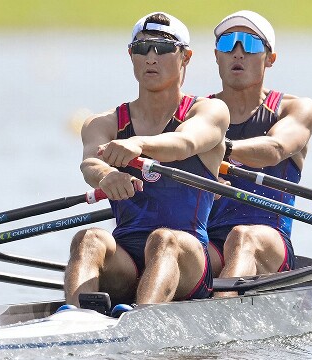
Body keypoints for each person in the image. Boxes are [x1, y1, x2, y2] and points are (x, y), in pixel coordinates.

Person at [64, 12, 230, 307]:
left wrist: (138, 144)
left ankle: (141, 321)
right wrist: (107, 176)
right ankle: (72, 320)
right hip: (126, 260)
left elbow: (185, 143)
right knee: (87, 239)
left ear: (185, 57)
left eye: (164, 48)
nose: (151, 57)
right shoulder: (104, 123)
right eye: (142, 49)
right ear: (131, 56)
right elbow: (90, 163)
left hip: (187, 258)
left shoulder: (210, 112)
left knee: (163, 239)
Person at [206, 10, 312, 287]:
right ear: (216, 55)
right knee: (165, 242)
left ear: (270, 59)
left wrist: (219, 148)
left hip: (269, 243)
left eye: (251, 43)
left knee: (242, 237)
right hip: (209, 241)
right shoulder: (198, 113)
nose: (238, 52)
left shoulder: (293, 109)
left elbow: (276, 148)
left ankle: (224, 314)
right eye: (227, 43)